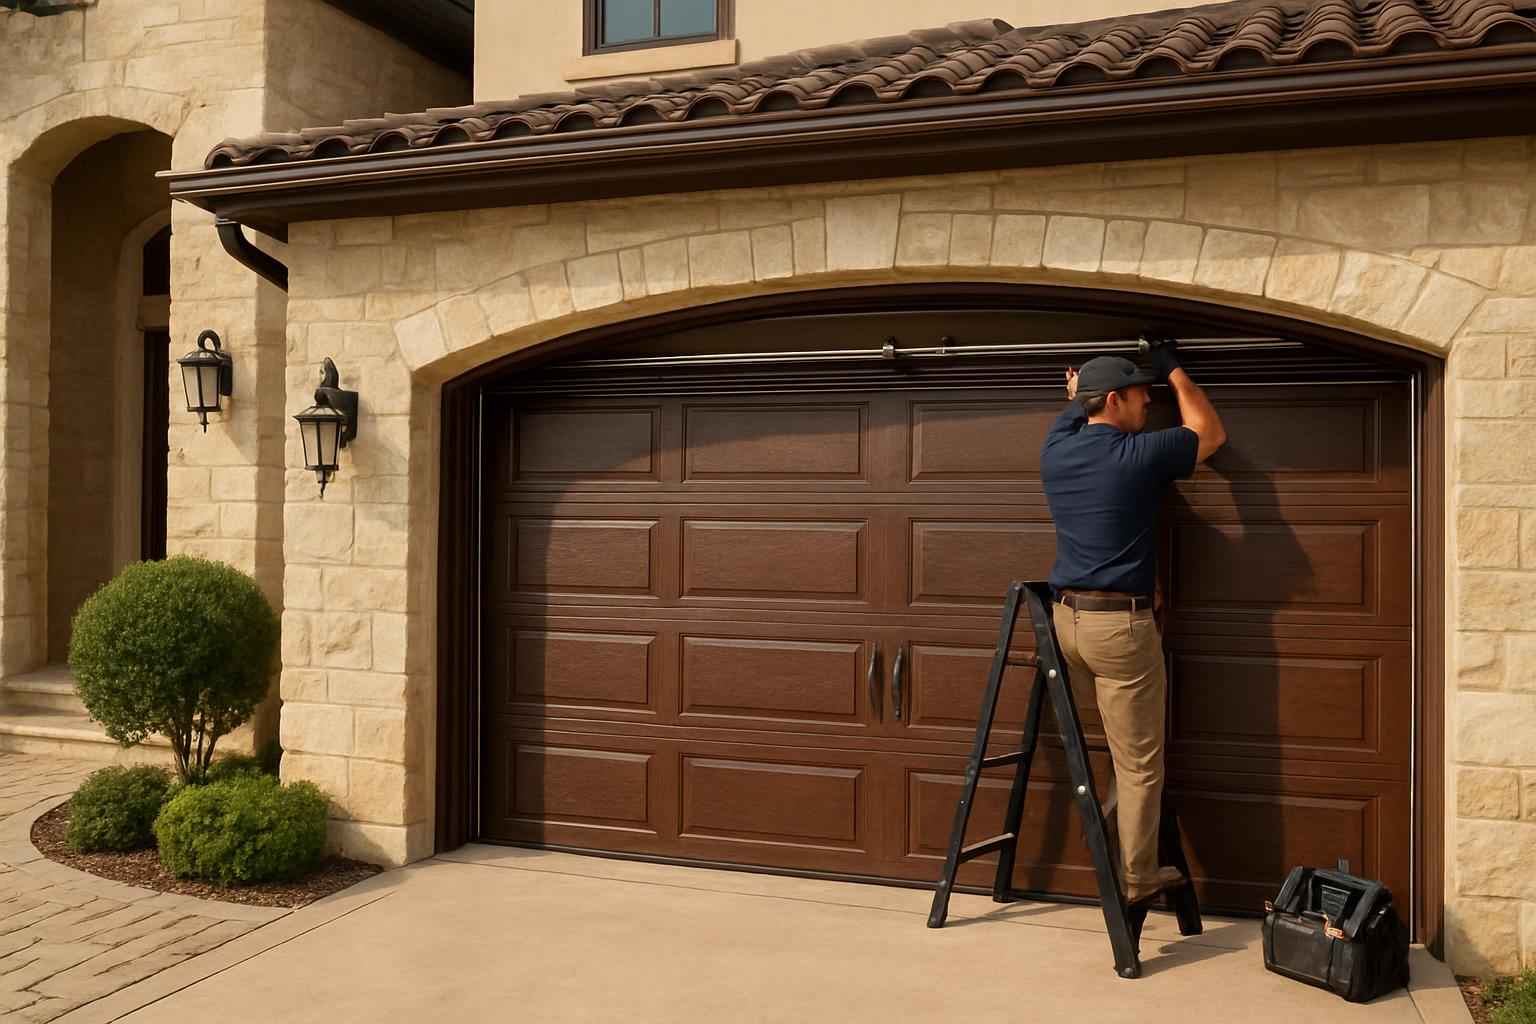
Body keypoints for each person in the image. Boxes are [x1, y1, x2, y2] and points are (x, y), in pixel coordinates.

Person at [1039, 340, 1226, 907]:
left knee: (1117, 747)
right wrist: (1172, 365)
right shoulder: (1139, 454)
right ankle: (1138, 874)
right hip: (1119, 630)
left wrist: (1078, 398)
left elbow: (1075, 414)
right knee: (1142, 761)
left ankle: (1111, 822)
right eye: (1144, 396)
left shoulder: (1055, 451)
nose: (1150, 406)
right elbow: (1210, 431)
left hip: (1065, 624)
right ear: (1115, 400)